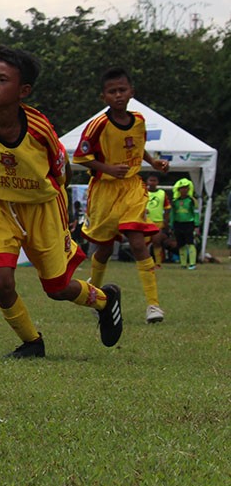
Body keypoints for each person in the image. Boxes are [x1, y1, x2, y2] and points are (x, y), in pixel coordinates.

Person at [0, 46, 125, 359]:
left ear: (23, 91)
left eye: (2, 80)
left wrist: (63, 217)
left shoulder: (40, 130)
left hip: (43, 211)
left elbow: (59, 172)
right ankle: (31, 342)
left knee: (57, 289)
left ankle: (105, 300)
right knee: (0, 280)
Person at [72, 66, 170, 324]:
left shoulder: (138, 120)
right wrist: (108, 169)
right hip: (105, 190)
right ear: (103, 97)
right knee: (103, 249)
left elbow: (138, 147)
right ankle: (95, 293)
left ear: (131, 92)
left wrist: (153, 162)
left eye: (122, 90)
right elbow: (81, 157)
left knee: (138, 242)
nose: (118, 95)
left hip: (132, 189)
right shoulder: (98, 125)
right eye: (112, 91)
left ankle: (153, 305)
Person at [170, 177, 199, 269]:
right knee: (181, 244)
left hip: (189, 224)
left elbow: (196, 213)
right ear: (178, 189)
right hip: (178, 224)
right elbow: (172, 214)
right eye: (182, 187)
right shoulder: (175, 201)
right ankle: (183, 264)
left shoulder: (191, 200)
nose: (184, 189)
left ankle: (192, 263)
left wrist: (196, 225)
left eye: (186, 187)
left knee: (190, 243)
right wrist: (171, 225)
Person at [145, 175, 170, 266]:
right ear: (147, 181)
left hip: (158, 222)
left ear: (157, 182)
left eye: (154, 180)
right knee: (144, 243)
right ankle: (145, 262)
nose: (152, 182)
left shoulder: (162, 193)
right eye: (150, 180)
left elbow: (167, 208)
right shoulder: (143, 192)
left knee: (156, 242)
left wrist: (166, 220)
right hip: (145, 221)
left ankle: (158, 263)